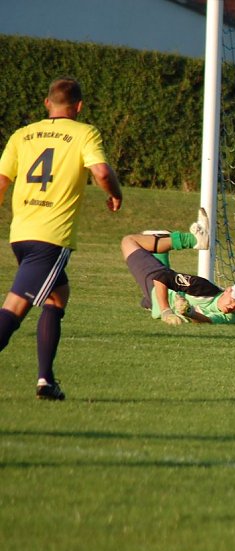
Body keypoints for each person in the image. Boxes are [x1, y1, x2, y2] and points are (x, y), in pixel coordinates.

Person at [0, 77, 123, 401]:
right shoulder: (84, 133)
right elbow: (102, 172)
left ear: (46, 103)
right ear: (79, 106)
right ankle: (44, 380)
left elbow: (1, 179)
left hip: (21, 234)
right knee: (14, 307)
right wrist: (115, 194)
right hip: (51, 237)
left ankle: (46, 381)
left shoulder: (22, 135)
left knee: (57, 296)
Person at [121, 208, 235, 326]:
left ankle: (162, 239)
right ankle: (192, 240)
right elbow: (161, 277)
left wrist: (189, 313)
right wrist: (166, 311)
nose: (232, 307)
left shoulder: (231, 317)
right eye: (233, 300)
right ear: (227, 290)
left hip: (154, 300)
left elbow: (208, 320)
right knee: (129, 241)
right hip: (157, 291)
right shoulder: (203, 288)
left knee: (153, 249)